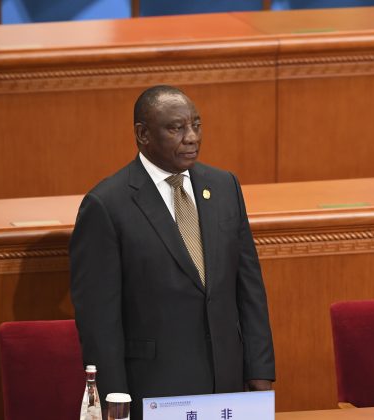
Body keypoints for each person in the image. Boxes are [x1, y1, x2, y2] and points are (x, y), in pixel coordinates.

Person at [70, 85, 275, 418]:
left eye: (196, 124)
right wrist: (114, 399)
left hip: (228, 387)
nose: (192, 137)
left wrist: (260, 371)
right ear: (143, 134)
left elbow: (249, 287)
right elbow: (99, 321)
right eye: (176, 128)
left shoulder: (224, 187)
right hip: (155, 391)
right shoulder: (107, 205)